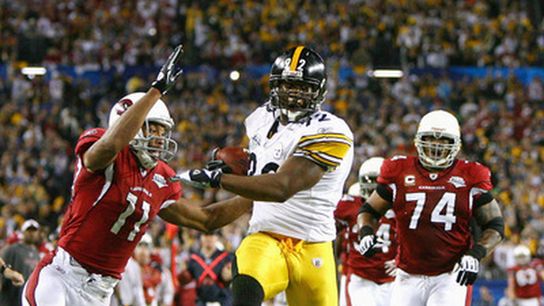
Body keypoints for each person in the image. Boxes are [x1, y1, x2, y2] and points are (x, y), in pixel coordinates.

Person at [22, 45, 254, 306]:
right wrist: (156, 91)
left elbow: (207, 220)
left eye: (162, 132)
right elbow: (111, 145)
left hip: (100, 292)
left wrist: (256, 194)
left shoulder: (162, 179)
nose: (159, 139)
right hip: (61, 277)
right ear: (127, 124)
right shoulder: (104, 153)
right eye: (152, 130)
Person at [176, 46, 354, 306]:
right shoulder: (260, 119)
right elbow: (256, 176)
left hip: (314, 243)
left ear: (318, 91)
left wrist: (218, 179)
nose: (293, 94)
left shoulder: (331, 130)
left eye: (303, 87)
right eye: (287, 85)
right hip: (266, 236)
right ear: (274, 86)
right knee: (246, 287)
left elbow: (282, 187)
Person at [357, 109, 505, 306]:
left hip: (449, 275)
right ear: (419, 141)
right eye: (431, 140)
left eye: (443, 141)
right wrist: (365, 232)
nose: (436, 147)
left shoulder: (470, 175)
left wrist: (476, 254)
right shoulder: (399, 170)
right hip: (407, 274)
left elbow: (495, 225)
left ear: (455, 144)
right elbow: (369, 210)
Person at [334, 157, 397, 306]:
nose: (374, 186)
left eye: (378, 180)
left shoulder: (400, 205)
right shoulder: (349, 205)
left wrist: (401, 260)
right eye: (369, 180)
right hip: (360, 276)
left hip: (392, 277)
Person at [179, 231, 234, 306]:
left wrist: (229, 275)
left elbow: (229, 277)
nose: (209, 238)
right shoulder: (193, 259)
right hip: (202, 301)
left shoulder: (227, 257)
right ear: (201, 237)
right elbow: (184, 281)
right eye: (206, 235)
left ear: (216, 237)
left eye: (212, 235)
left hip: (223, 300)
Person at [1, 219, 41, 306]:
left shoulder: (36, 253)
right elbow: (2, 270)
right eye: (29, 230)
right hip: (9, 298)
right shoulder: (12, 249)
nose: (31, 233)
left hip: (25, 299)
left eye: (34, 231)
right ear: (23, 232)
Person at [134, 234, 174, 306]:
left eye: (146, 247)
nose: (143, 251)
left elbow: (168, 292)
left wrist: (164, 303)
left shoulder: (161, 271)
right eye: (140, 246)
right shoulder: (127, 268)